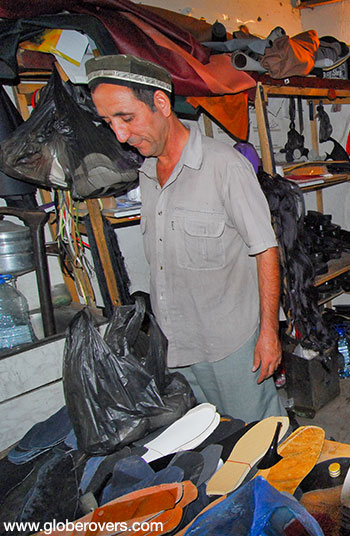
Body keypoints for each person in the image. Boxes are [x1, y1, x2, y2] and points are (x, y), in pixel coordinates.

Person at [86, 54, 285, 423]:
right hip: (176, 343)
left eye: (126, 118)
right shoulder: (148, 173)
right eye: (109, 122)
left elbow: (266, 249)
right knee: (210, 436)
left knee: (259, 437)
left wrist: (269, 334)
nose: (121, 135)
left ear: (161, 103)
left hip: (231, 344)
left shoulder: (224, 166)